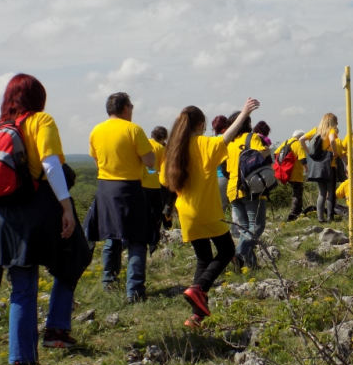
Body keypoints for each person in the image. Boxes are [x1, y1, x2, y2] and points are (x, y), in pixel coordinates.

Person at [0, 73, 78, 365]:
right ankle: (56, 329)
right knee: (73, 257)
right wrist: (67, 208)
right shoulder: (41, 121)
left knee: (22, 286)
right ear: (39, 98)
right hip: (34, 212)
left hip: (0, 215)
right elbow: (50, 165)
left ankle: (21, 363)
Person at [164, 98, 260, 327]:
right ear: (199, 126)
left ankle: (196, 315)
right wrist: (244, 113)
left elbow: (164, 182)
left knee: (203, 258)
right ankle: (198, 288)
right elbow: (225, 138)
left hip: (185, 212)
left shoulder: (173, 149)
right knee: (227, 250)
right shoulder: (202, 144)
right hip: (205, 209)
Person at [84, 92, 155, 300]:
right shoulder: (133, 129)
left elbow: (96, 161)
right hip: (129, 188)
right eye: (131, 107)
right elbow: (150, 161)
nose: (132, 110)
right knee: (137, 239)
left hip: (105, 188)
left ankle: (108, 283)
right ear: (125, 108)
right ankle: (134, 291)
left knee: (112, 236)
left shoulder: (96, 130)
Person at [226, 109, 271, 269]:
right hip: (251, 188)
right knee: (257, 225)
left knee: (245, 228)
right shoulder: (251, 138)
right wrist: (266, 151)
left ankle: (250, 265)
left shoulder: (229, 143)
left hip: (233, 189)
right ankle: (238, 254)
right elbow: (260, 155)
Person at [301, 114, 341, 223]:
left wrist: (309, 153)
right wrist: (335, 152)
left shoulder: (315, 130)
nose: (337, 123)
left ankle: (320, 218)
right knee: (331, 192)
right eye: (336, 121)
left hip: (317, 166)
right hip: (329, 165)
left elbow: (301, 139)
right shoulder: (332, 131)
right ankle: (330, 217)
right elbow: (332, 140)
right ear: (332, 122)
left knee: (322, 192)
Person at [142, 126, 167, 255]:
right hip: (155, 186)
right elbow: (164, 169)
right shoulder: (161, 149)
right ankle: (153, 243)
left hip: (139, 184)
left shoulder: (144, 143)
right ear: (163, 138)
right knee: (156, 216)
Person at [275, 130, 307, 221]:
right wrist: (308, 171)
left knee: (297, 192)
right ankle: (293, 214)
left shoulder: (285, 142)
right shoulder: (298, 144)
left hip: (286, 172)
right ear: (299, 137)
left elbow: (275, 154)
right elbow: (303, 159)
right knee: (297, 193)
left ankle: (298, 212)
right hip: (296, 173)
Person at [211, 115, 230, 212]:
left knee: (216, 205)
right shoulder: (226, 140)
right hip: (224, 175)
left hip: (213, 176)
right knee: (223, 206)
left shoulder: (212, 140)